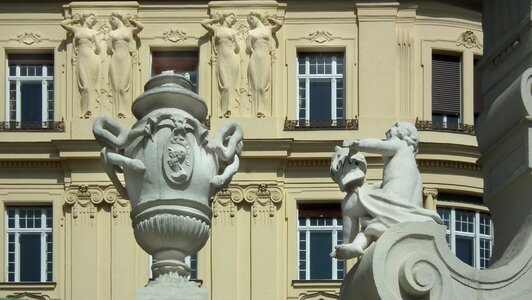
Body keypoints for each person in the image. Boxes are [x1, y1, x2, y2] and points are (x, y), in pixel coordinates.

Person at [331, 122, 441, 259]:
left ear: (403, 134)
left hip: (393, 200)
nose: (388, 131)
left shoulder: (401, 145)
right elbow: (387, 185)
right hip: (410, 208)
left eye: (395, 126)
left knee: (349, 205)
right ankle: (356, 246)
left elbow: (378, 146)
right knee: (373, 221)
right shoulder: (412, 168)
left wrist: (357, 144)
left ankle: (350, 243)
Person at [61, 13, 101, 118]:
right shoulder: (77, 30)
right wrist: (74, 21)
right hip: (81, 59)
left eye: (93, 19)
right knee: (85, 86)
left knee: (91, 86)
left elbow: (99, 48)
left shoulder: (93, 32)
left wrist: (94, 50)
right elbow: (63, 24)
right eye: (91, 18)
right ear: (85, 18)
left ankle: (89, 110)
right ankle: (83, 111)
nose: (92, 20)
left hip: (91, 59)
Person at [201, 12, 241, 118]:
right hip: (221, 58)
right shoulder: (216, 29)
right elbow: (203, 23)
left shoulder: (233, 31)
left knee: (231, 85)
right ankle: (223, 110)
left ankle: (229, 110)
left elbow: (237, 48)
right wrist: (214, 20)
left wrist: (236, 46)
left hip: (231, 58)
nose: (231, 20)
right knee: (225, 86)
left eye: (233, 19)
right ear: (225, 17)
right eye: (230, 17)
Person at [246, 11, 282, 118]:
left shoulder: (268, 29)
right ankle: (257, 111)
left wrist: (271, 18)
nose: (251, 21)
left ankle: (264, 110)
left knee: (263, 86)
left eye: (252, 18)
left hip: (265, 58)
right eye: (250, 20)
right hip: (255, 57)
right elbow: (248, 49)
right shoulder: (251, 33)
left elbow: (280, 25)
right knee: (256, 86)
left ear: (258, 17)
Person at [108, 13, 143, 118]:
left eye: (113, 19)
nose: (112, 22)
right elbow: (109, 49)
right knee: (116, 86)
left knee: (123, 86)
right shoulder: (112, 33)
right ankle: (117, 112)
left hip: (126, 59)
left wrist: (133, 20)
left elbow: (140, 27)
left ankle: (124, 111)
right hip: (115, 59)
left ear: (119, 18)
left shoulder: (129, 30)